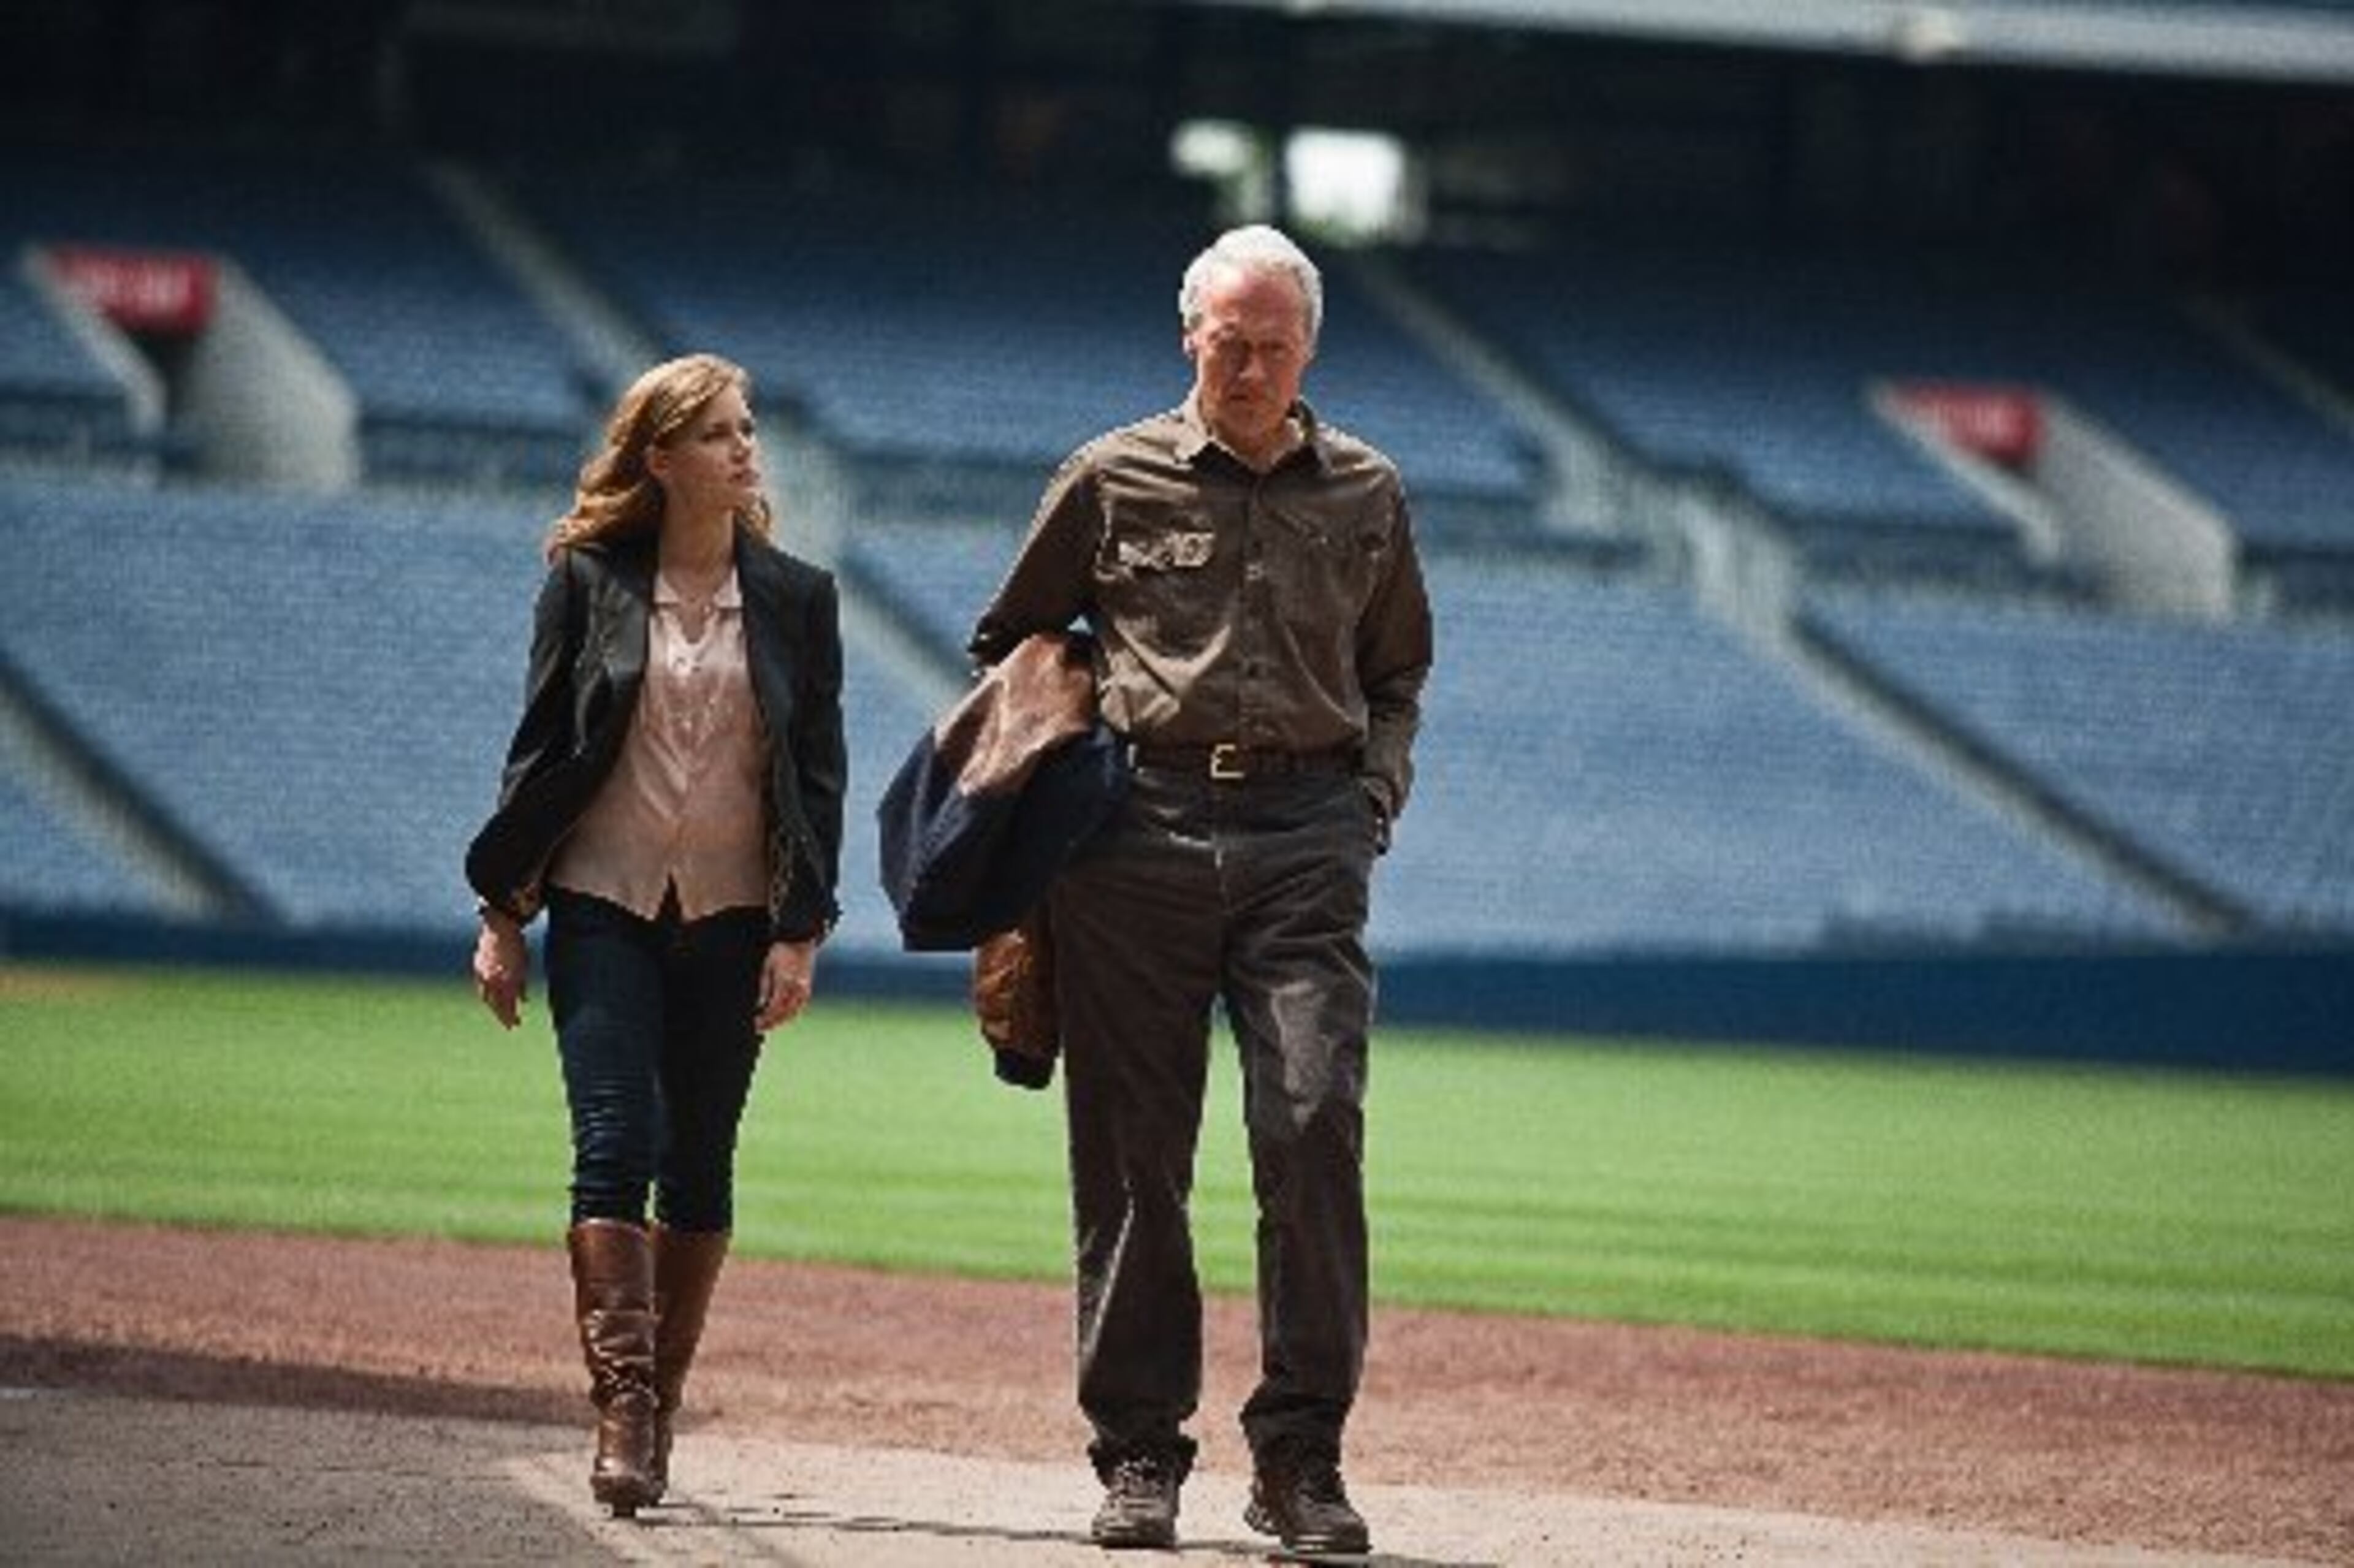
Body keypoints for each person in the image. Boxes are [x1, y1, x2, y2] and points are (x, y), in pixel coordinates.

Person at [968, 224, 1433, 1556]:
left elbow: (1398, 674)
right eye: (1229, 342)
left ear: (1310, 352)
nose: (1249, 366)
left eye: (1274, 346)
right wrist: (1058, 788)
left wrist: (1371, 799)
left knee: (1311, 1122)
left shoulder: (1370, 493)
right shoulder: (1110, 477)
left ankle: (1300, 1460)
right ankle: (1137, 1456)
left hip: (1308, 834)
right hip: (1137, 835)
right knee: (1131, 1156)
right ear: (1191, 339)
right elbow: (1010, 639)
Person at [465, 352, 845, 1518]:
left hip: (733, 915)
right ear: (664, 455)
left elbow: (815, 780)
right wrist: (502, 913)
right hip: (603, 900)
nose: (746, 449)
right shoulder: (587, 580)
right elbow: (538, 755)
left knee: (701, 1166)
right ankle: (625, 1408)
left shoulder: (797, 597)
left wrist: (800, 932)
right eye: (721, 433)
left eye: (748, 430)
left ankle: (661, 1400)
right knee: (612, 1143)